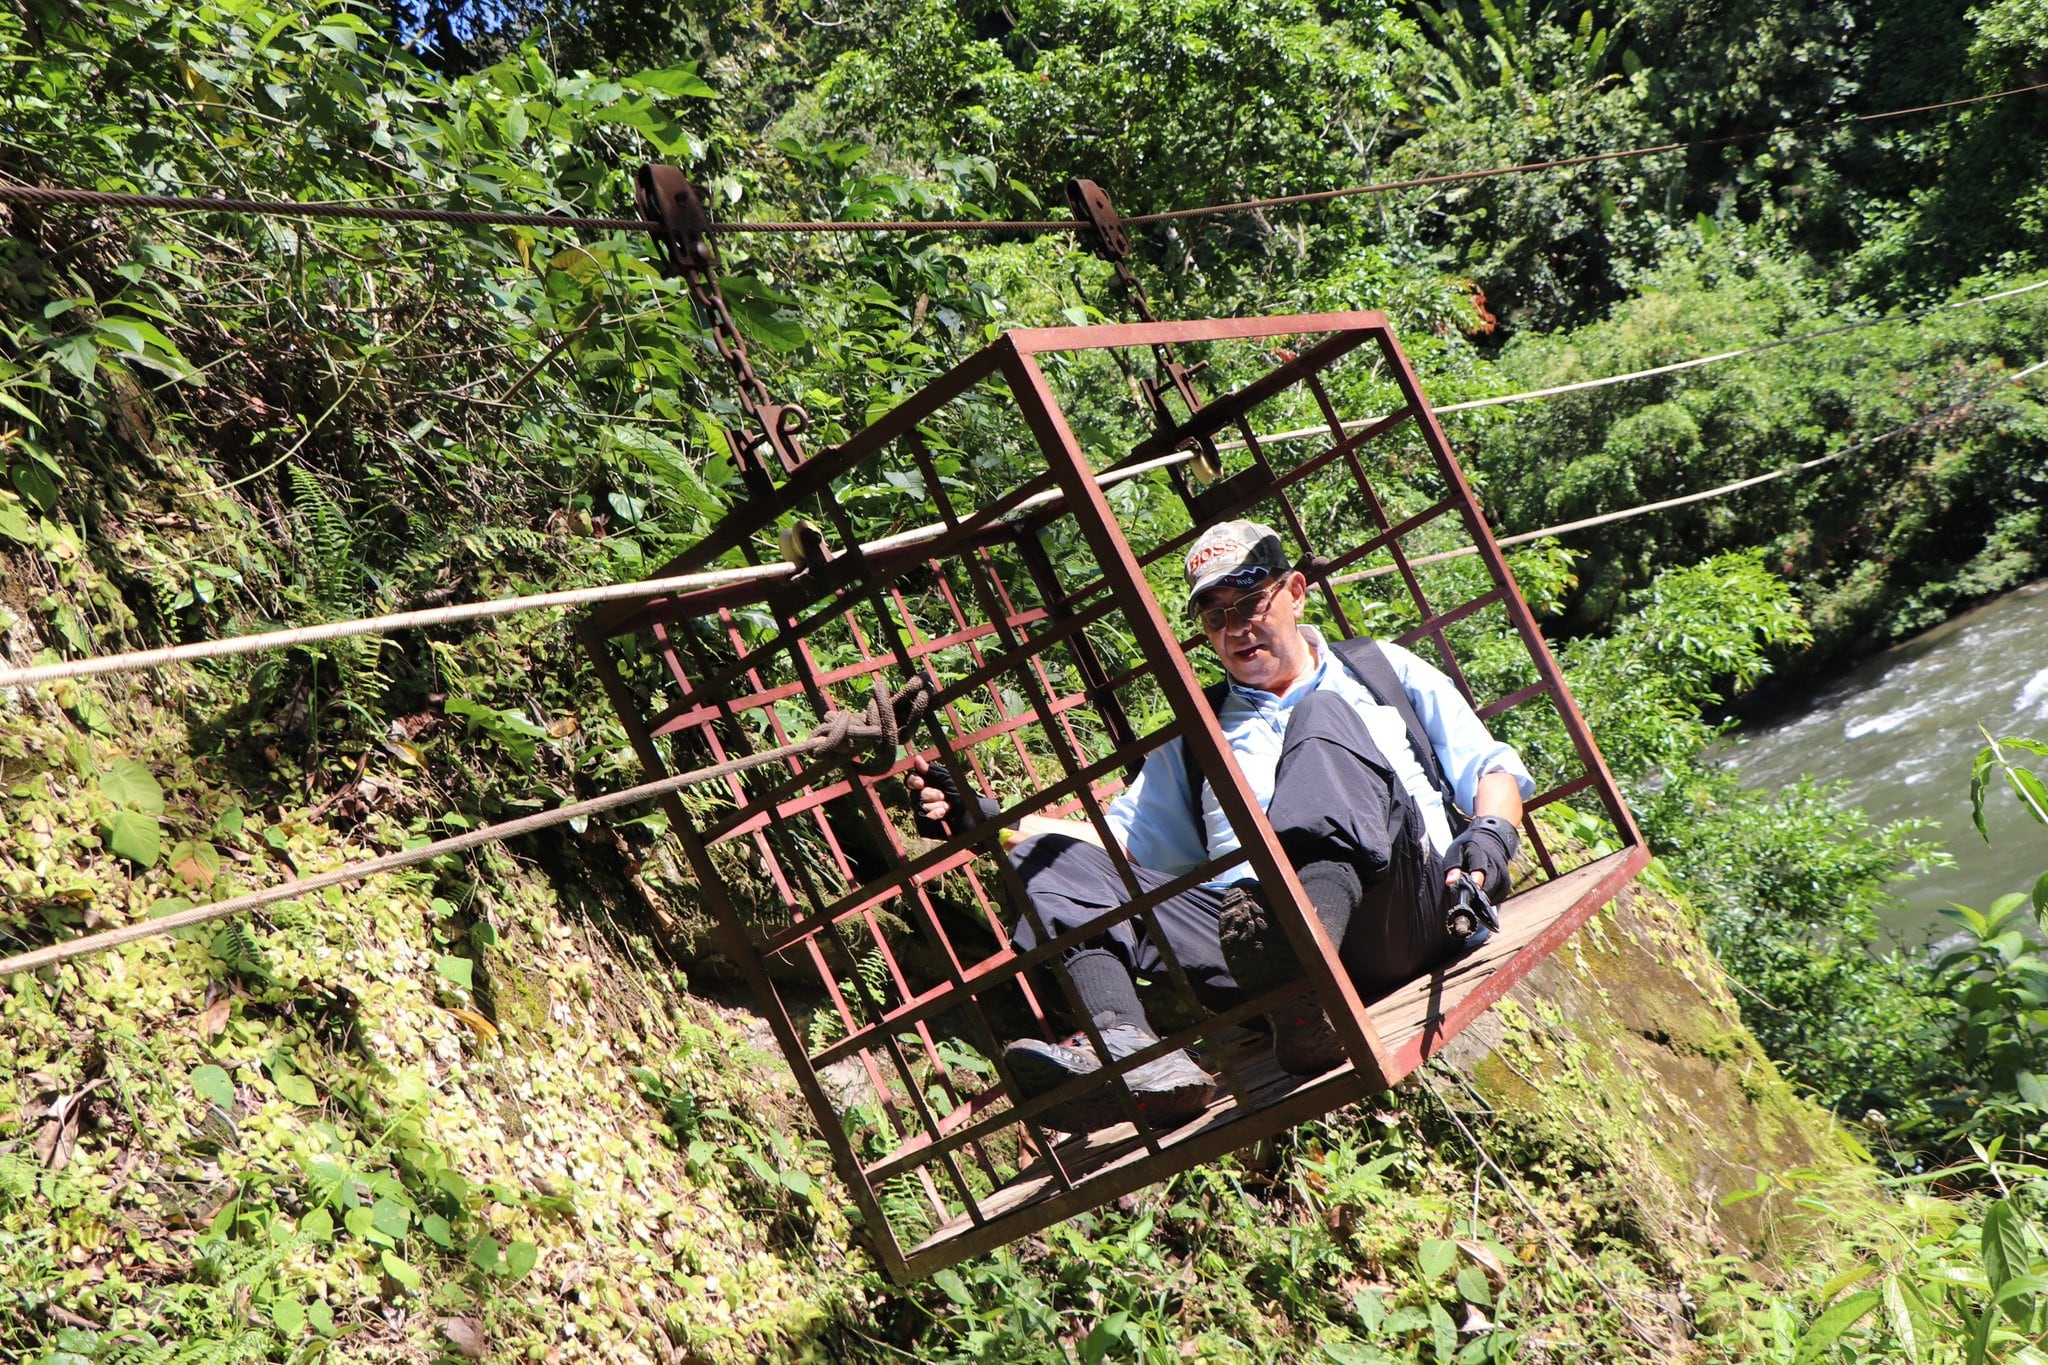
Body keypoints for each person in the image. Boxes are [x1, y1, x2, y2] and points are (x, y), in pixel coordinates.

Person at [907, 520, 1534, 1134]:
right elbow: (1120, 845)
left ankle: (1306, 969)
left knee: (1320, 720)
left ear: (1293, 592)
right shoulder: (1197, 736)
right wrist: (984, 818)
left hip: (1400, 916)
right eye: (1215, 617)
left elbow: (1491, 767)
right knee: (1050, 859)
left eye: (1250, 602)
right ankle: (1136, 1059)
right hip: (1253, 942)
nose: (1236, 629)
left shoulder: (1376, 669)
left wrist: (1490, 837)